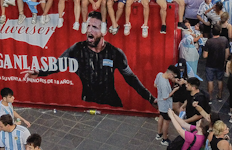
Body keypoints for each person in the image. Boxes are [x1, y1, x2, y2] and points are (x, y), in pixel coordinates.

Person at [24, 11, 156, 109]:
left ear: (103, 31)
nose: (89, 30)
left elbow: (131, 79)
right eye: (88, 26)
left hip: (112, 104)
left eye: (95, 27)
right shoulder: (77, 49)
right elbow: (58, 65)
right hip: (87, 102)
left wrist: (151, 99)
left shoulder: (115, 53)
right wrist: (40, 72)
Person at [203, 25, 229, 102]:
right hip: (220, 64)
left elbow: (204, 55)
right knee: (220, 80)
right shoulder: (224, 40)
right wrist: (224, 60)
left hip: (210, 64)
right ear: (220, 31)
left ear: (212, 32)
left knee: (210, 81)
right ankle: (220, 96)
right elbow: (227, 53)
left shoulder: (209, 41)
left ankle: (210, 97)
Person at [155, 65, 179, 146]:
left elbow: (155, 85)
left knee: (161, 117)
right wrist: (174, 90)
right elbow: (165, 97)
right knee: (166, 122)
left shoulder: (159, 75)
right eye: (173, 76)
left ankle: (159, 134)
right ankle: (165, 139)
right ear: (170, 74)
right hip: (165, 105)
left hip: (160, 102)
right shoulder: (165, 84)